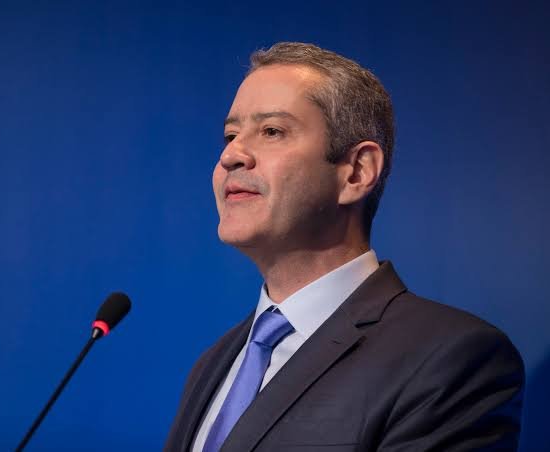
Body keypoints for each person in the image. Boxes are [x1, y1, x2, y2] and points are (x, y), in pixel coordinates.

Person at [164, 42, 524, 452]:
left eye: (272, 131)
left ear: (357, 171)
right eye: (230, 135)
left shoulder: (449, 359)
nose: (231, 155)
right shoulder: (215, 362)